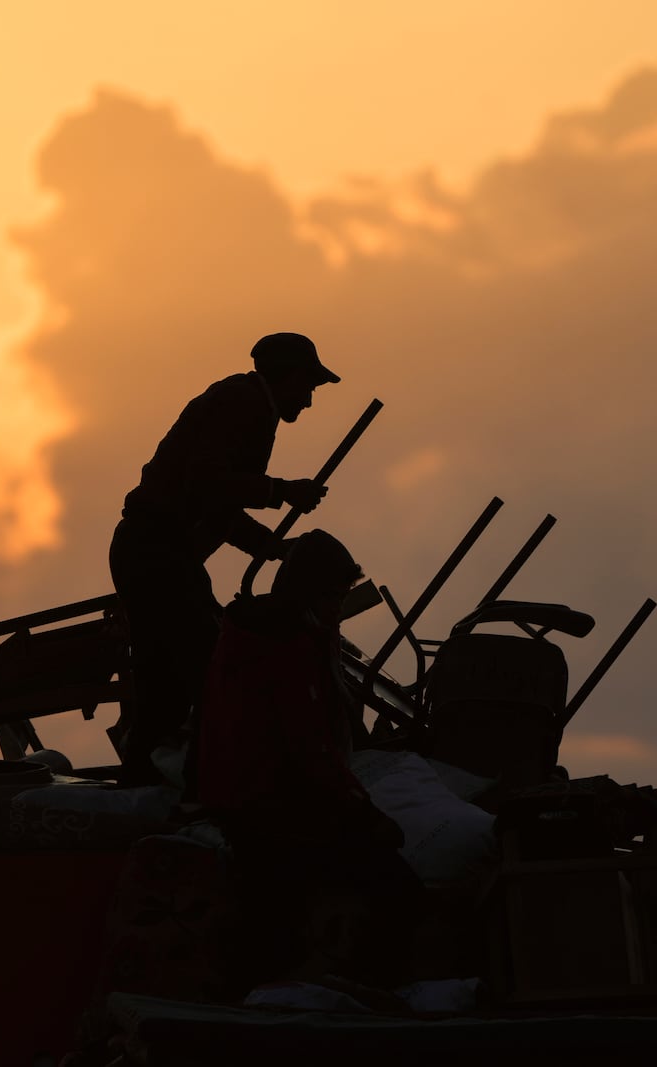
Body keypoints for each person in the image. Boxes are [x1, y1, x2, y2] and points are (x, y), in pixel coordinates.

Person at [109, 332, 339, 784]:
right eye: (307, 387)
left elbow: (219, 507)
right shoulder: (243, 403)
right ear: (287, 377)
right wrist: (280, 491)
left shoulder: (250, 407)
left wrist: (273, 547)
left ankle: (154, 778)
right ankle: (198, 782)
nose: (309, 402)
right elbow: (208, 481)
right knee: (203, 668)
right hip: (155, 552)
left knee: (173, 675)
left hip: (161, 554)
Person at [197, 530, 420, 986]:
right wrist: (364, 810)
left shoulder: (253, 634)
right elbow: (308, 749)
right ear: (306, 593)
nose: (338, 608)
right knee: (395, 885)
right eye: (332, 596)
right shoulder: (285, 647)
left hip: (250, 799)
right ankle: (376, 987)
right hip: (270, 807)